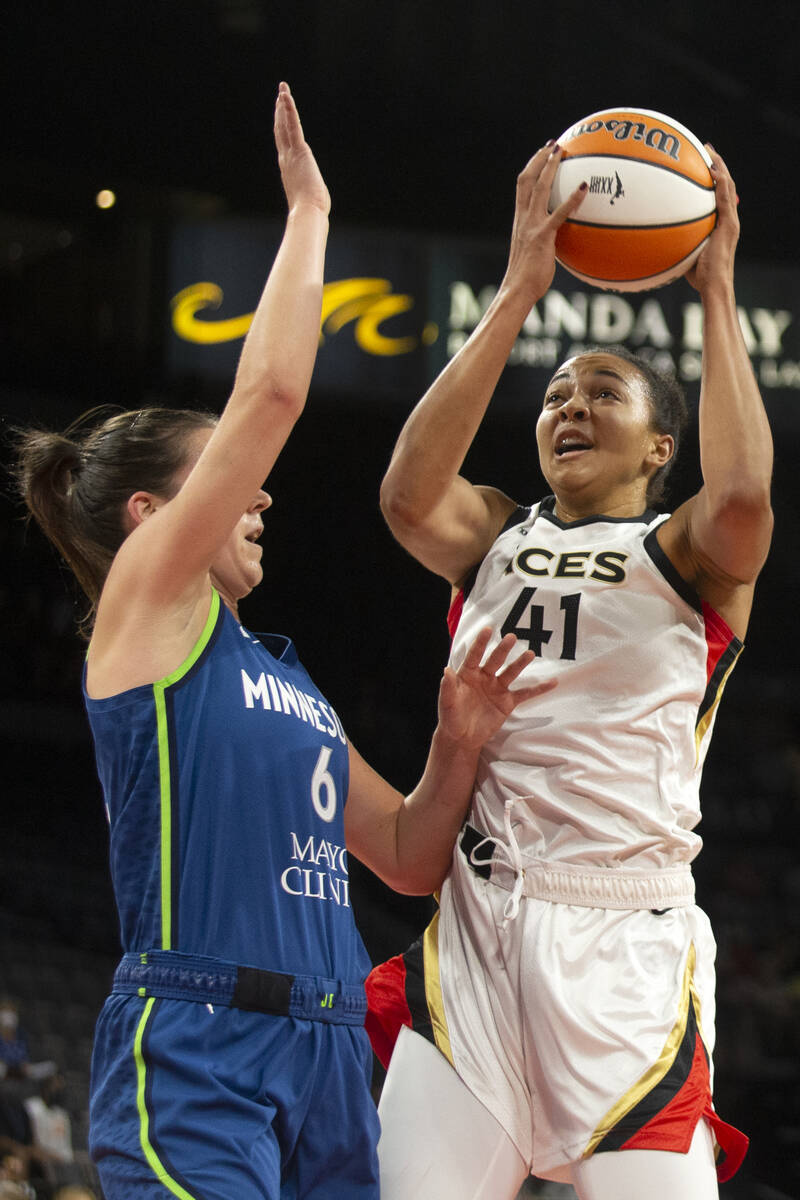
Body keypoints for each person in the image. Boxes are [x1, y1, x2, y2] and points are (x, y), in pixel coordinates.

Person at [12, 85, 552, 1200]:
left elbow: (403, 855)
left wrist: (457, 746)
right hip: (200, 1041)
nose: (259, 502)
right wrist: (309, 212)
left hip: (326, 1050)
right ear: (151, 520)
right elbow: (271, 392)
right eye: (232, 483)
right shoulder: (146, 616)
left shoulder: (285, 681)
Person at [367, 137, 773, 1200]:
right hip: (478, 926)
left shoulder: (685, 554)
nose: (567, 406)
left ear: (657, 449)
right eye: (553, 394)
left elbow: (740, 500)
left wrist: (715, 292)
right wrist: (518, 291)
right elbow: (407, 497)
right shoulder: (491, 531)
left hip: (621, 937)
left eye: (601, 391)